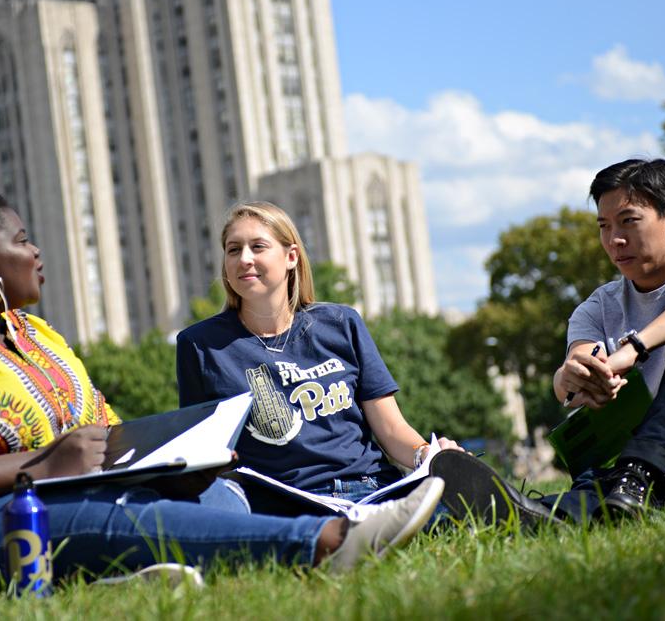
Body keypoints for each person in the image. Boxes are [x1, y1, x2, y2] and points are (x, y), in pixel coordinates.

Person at [0, 180, 444, 587]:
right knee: (101, 517)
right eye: (23, 239)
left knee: (213, 496)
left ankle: (125, 579)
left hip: (70, 496)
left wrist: (171, 452)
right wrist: (37, 467)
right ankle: (328, 545)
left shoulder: (38, 339)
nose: (36, 252)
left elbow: (108, 435)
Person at [176, 200, 466, 510]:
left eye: (258, 247)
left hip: (372, 488)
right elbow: (204, 454)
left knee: (457, 497)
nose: (244, 258)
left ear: (291, 257)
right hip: (283, 502)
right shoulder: (200, 345)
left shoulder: (341, 323)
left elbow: (391, 429)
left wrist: (429, 454)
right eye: (233, 250)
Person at [549, 158, 665, 519]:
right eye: (604, 226)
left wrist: (635, 348)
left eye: (629, 221)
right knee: (585, 499)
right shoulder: (597, 308)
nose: (615, 240)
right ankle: (502, 513)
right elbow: (577, 363)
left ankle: (643, 474)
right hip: (633, 475)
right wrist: (572, 378)